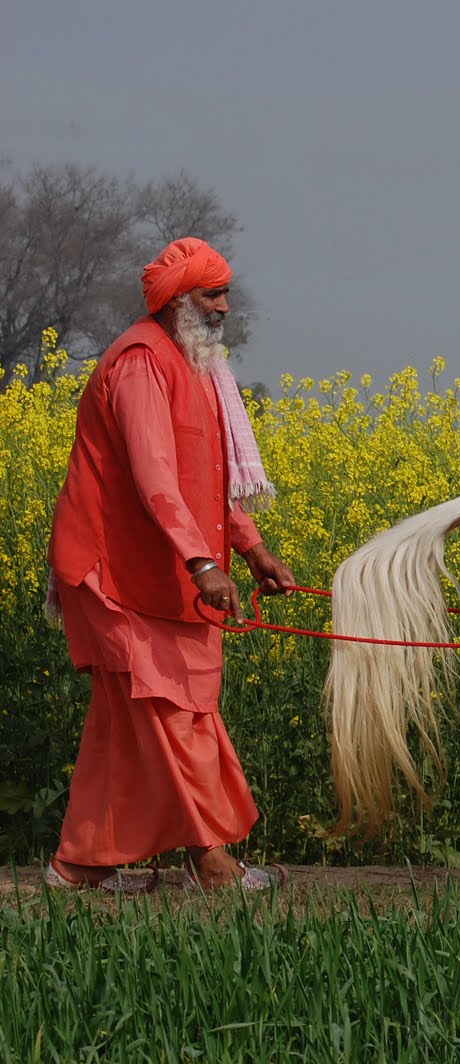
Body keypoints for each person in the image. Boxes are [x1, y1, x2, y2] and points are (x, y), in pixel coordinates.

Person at [43, 237, 295, 892]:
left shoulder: (197, 366)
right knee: (167, 715)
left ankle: (77, 866)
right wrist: (201, 564)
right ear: (177, 302)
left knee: (125, 725)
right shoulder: (138, 365)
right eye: (212, 294)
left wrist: (252, 548)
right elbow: (157, 478)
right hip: (111, 571)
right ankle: (210, 861)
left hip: (159, 572)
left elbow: (203, 478)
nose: (224, 306)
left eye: (225, 292)